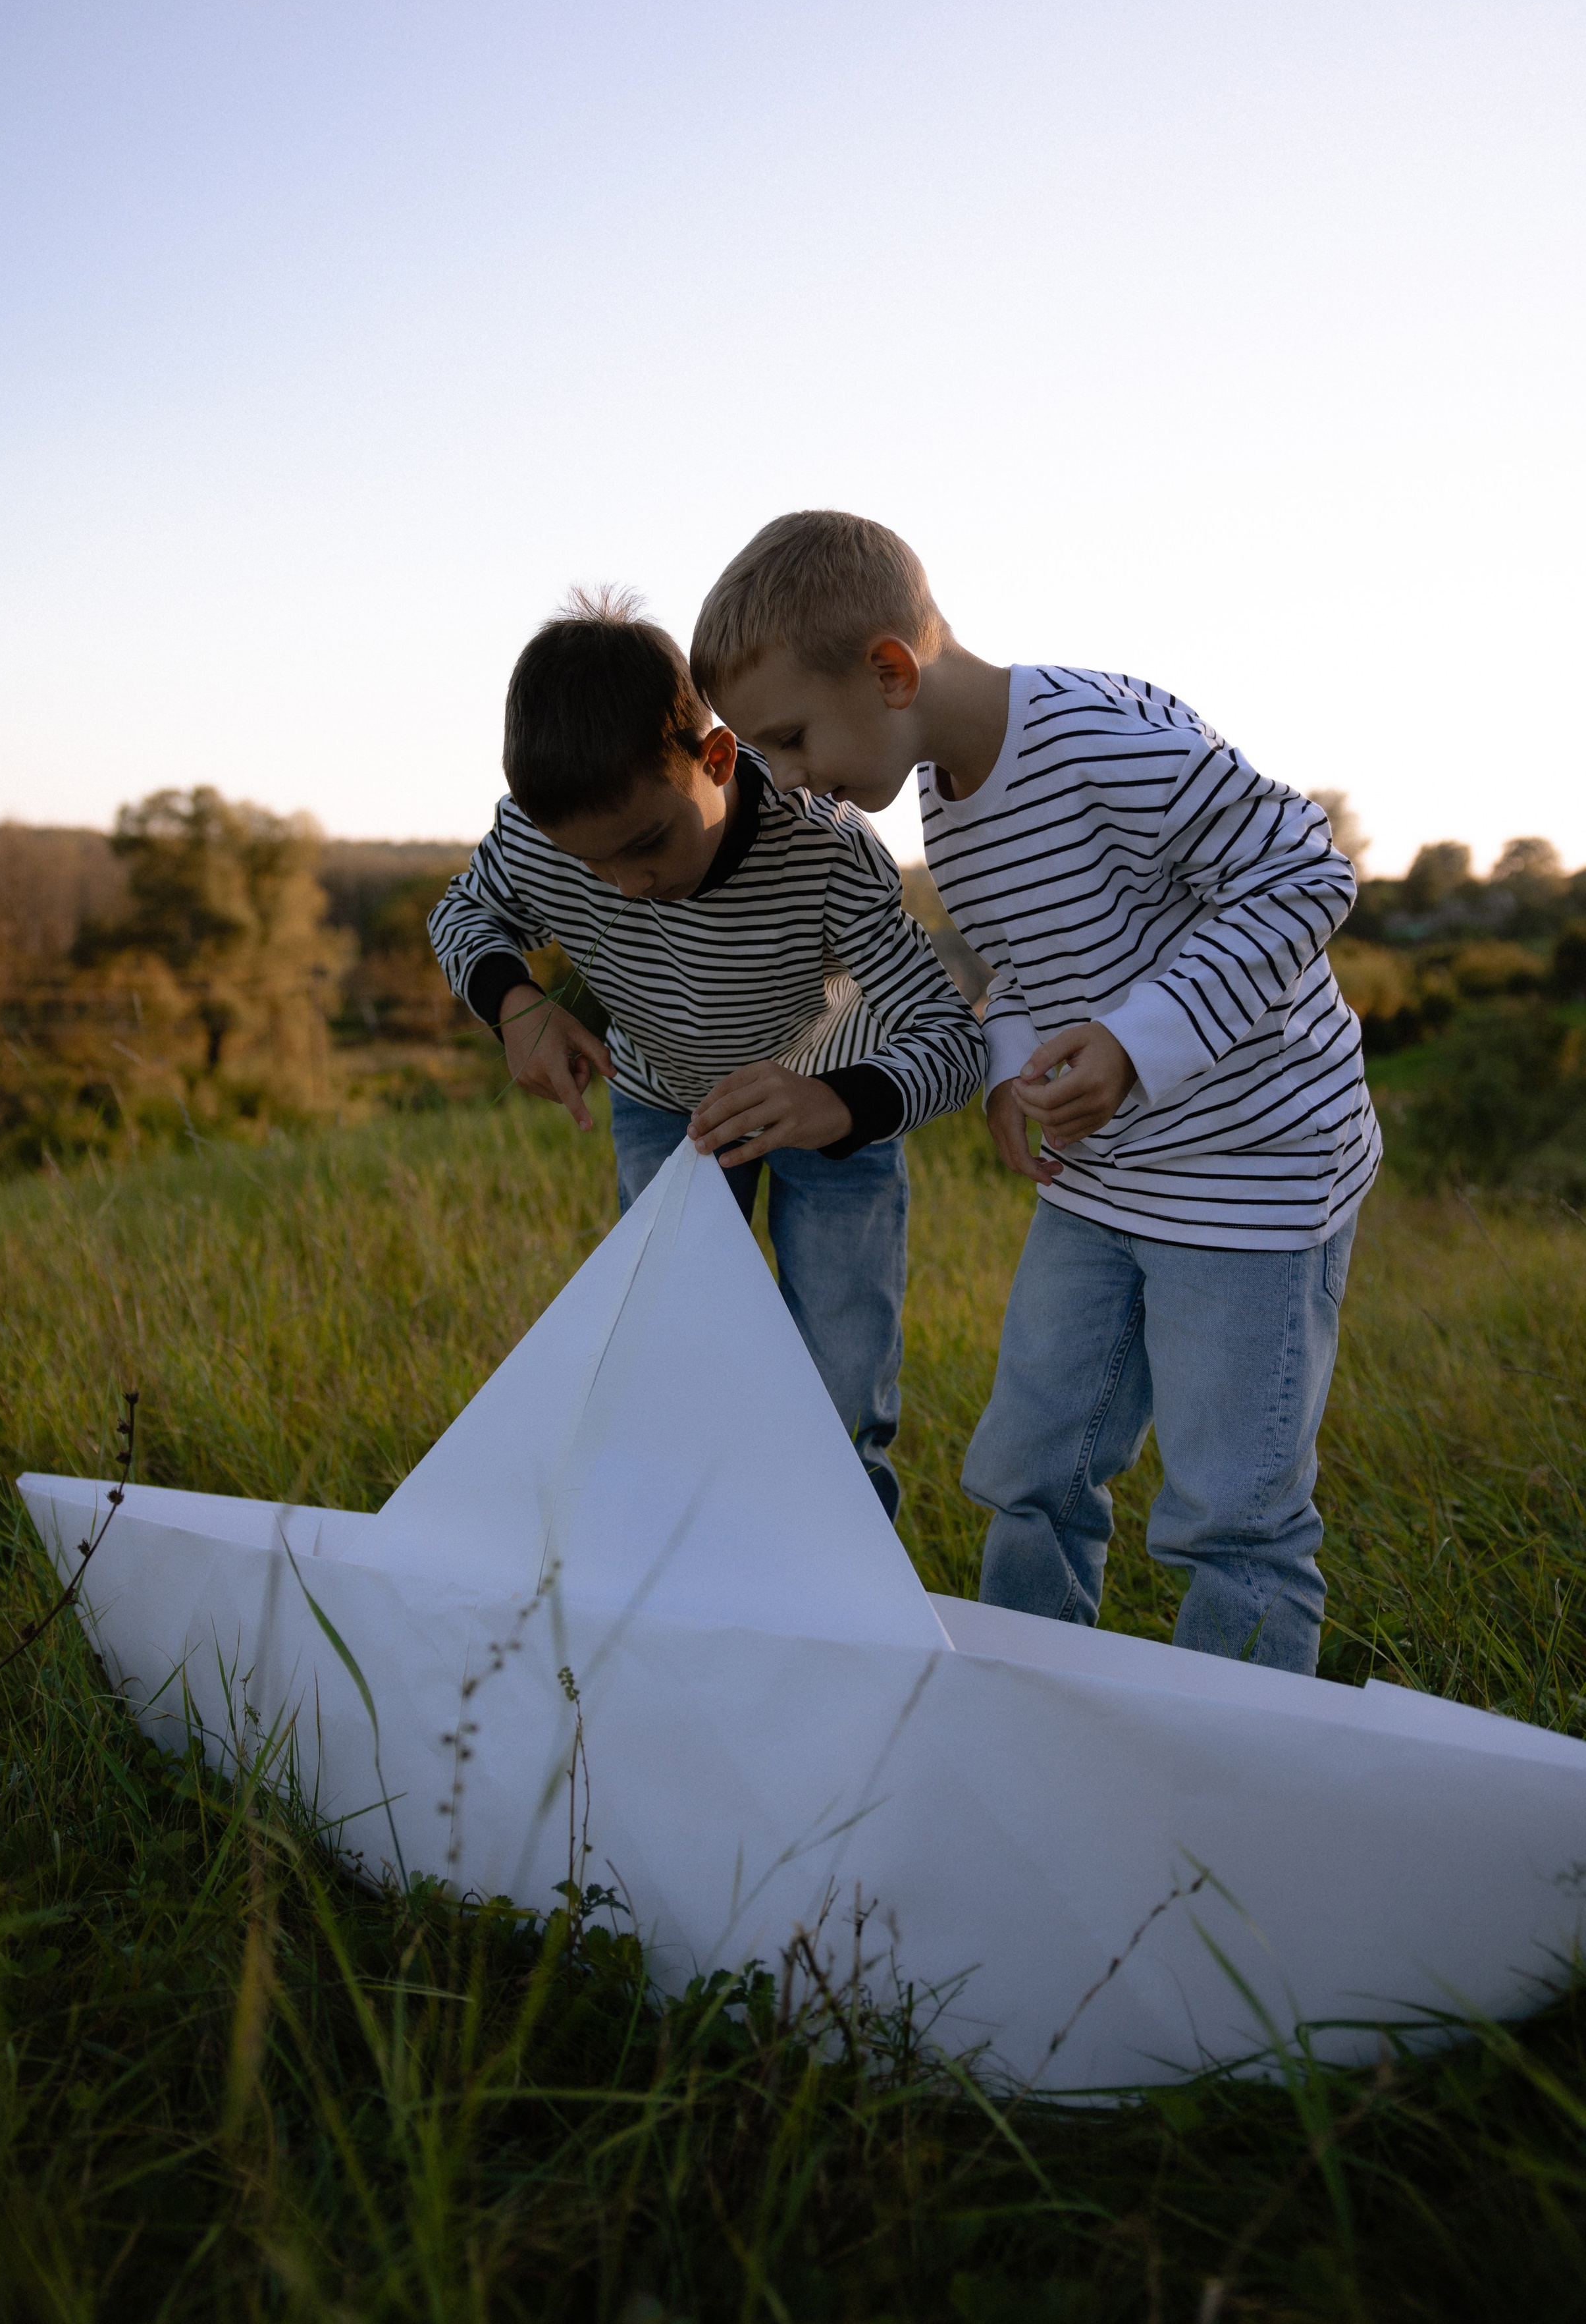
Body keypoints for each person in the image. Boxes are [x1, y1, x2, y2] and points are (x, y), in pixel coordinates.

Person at [692, 511, 1380, 1674]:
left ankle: (1238, 1782)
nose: (791, 780)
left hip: (1254, 1173)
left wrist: (1133, 1039)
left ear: (890, 669)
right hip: (1109, 1181)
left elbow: (1306, 871)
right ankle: (1032, 1704)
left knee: (1230, 1514)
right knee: (1030, 1466)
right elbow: (1023, 956)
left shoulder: (1101, 739)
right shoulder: (946, 797)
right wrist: (1013, 1065)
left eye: (793, 738)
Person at [429, 588, 986, 1519]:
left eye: (648, 844)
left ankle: (843, 1599)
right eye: (593, 867)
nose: (630, 886)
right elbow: (464, 913)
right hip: (666, 1111)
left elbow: (953, 1038)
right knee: (667, 1361)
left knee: (839, 1383)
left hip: (829, 1113)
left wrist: (840, 1107)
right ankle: (682, 1583)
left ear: (716, 758)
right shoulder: (539, 836)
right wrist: (514, 1005)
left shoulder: (828, 850)